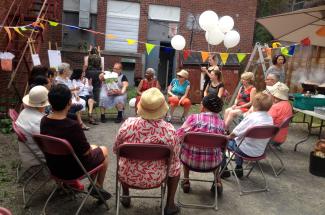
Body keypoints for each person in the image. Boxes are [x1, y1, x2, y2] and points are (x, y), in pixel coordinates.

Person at [115, 88, 180, 215]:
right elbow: (174, 159)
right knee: (176, 166)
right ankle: (170, 205)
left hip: (128, 175)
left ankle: (126, 195)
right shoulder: (169, 131)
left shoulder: (128, 125)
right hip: (157, 177)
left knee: (122, 160)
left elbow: (116, 150)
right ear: (162, 108)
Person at [40, 84, 111, 200]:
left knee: (94, 147)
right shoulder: (72, 126)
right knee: (104, 150)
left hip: (55, 167)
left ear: (50, 101)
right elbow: (86, 152)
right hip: (73, 170)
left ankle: (91, 187)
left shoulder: (44, 121)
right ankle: (97, 186)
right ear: (69, 102)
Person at [177, 94, 228, 195]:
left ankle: (186, 181)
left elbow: (178, 135)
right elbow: (222, 146)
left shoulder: (193, 118)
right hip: (212, 164)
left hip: (190, 161)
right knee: (216, 153)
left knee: (186, 149)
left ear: (203, 106)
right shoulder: (222, 124)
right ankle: (217, 181)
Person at [226, 92, 274, 178]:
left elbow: (234, 133)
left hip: (244, 151)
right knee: (240, 141)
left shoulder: (252, 117)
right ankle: (238, 168)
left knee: (223, 143)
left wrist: (226, 137)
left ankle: (224, 169)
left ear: (254, 104)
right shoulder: (270, 119)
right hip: (259, 152)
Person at [16, 86, 49, 170]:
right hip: (37, 155)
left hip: (27, 151)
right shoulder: (38, 121)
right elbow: (49, 143)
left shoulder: (24, 112)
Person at [56, 63, 89, 130]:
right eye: (68, 69)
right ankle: (79, 123)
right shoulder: (58, 80)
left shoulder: (68, 79)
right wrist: (74, 90)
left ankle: (77, 122)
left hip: (71, 97)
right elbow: (62, 91)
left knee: (81, 101)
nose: (70, 71)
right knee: (77, 104)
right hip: (63, 98)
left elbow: (73, 89)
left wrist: (76, 95)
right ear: (64, 71)